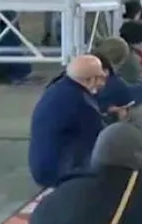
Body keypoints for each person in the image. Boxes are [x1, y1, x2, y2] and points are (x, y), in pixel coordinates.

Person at [28, 55, 107, 188]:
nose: (104, 81)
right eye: (101, 77)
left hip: (41, 166)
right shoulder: (82, 103)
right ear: (91, 79)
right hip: (61, 173)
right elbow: (104, 138)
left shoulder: (57, 89)